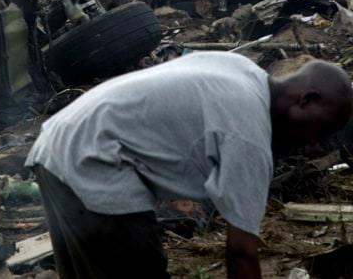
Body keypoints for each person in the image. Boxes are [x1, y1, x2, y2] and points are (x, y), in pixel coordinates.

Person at [26, 51, 353, 279]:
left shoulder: (242, 69)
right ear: (307, 99)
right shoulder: (248, 136)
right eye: (321, 129)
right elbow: (241, 254)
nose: (314, 142)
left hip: (58, 142)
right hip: (93, 159)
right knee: (142, 270)